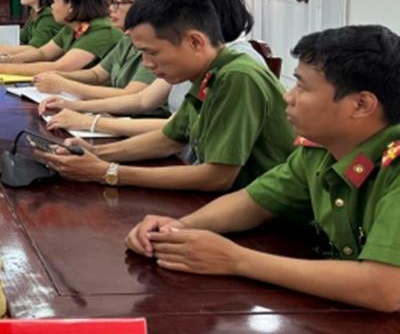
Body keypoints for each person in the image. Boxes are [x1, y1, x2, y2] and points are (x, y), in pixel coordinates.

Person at [125, 25, 400, 312]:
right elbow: (254, 202)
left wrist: (235, 260)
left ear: (361, 105)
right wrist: (178, 229)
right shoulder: (320, 151)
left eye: (302, 87)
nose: (288, 97)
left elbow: (384, 288)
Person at [35, 0, 294, 192]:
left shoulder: (237, 76)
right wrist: (96, 152)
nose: (147, 64)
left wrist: (108, 172)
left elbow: (218, 176)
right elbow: (169, 138)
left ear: (195, 42)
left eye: (152, 53)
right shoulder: (206, 73)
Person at [40, 0, 265, 137]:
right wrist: (76, 108)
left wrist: (92, 123)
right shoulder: (192, 58)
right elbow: (143, 101)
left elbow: (174, 129)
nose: (148, 62)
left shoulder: (233, 68)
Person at [33, 0, 169, 106]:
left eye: (118, 3)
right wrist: (60, 76)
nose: (111, 8)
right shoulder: (127, 39)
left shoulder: (157, 44)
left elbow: (133, 96)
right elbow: (97, 74)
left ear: (144, 6)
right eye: (112, 2)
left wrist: (65, 85)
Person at [0, 0, 121, 75]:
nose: (52, 6)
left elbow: (61, 67)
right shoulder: (71, 28)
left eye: (55, 0)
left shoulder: (101, 31)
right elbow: (42, 53)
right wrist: (0, 61)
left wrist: (2, 69)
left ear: (70, 6)